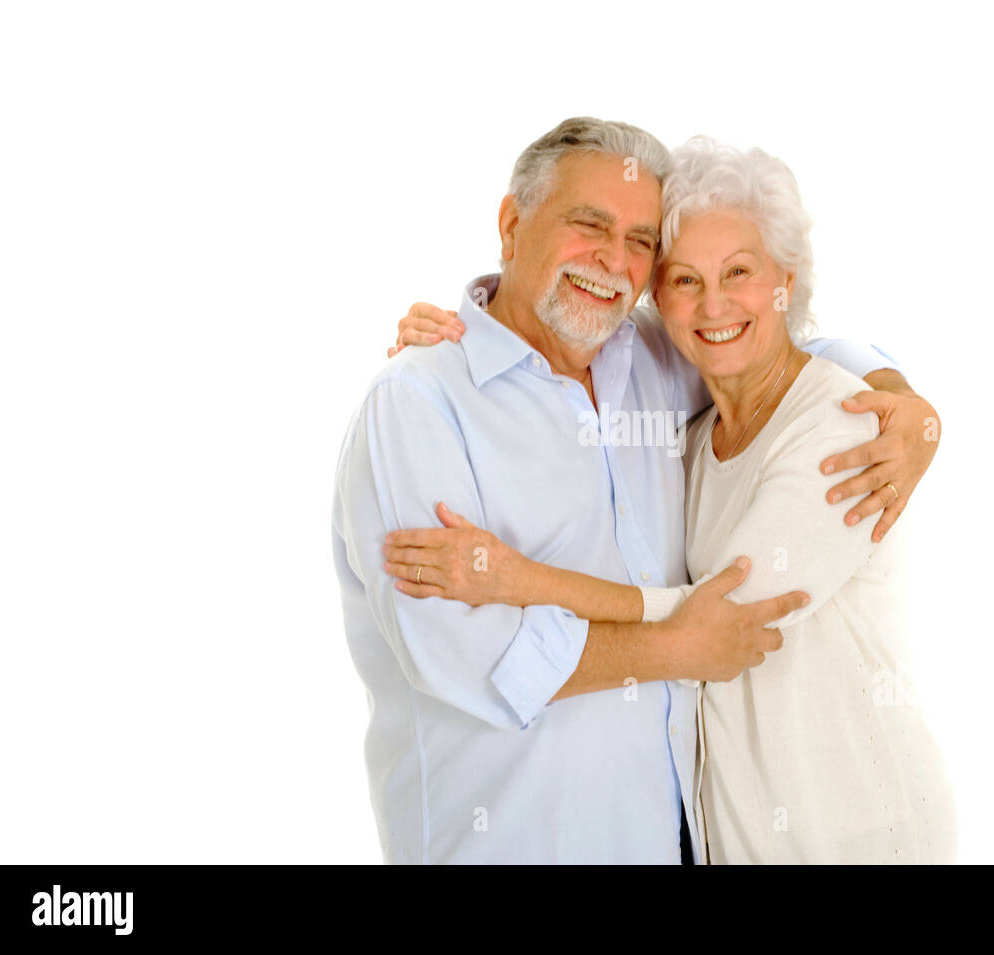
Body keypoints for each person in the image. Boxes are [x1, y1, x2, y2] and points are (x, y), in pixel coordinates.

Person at [334, 117, 942, 864]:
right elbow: (466, 652)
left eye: (641, 241)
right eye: (588, 224)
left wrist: (903, 399)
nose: (613, 261)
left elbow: (771, 346)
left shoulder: (652, 359)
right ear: (511, 223)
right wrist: (674, 648)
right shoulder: (420, 401)